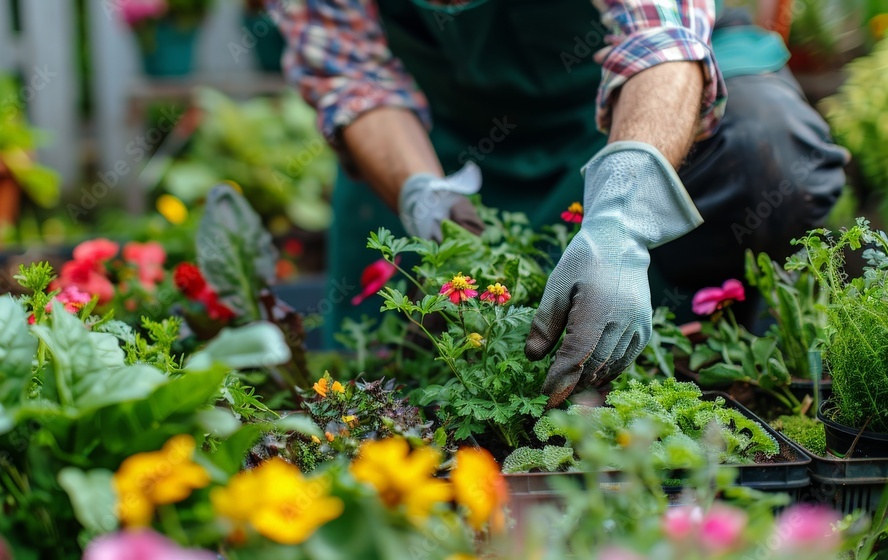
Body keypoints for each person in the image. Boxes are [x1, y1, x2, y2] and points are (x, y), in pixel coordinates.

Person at [266, 0, 847, 406]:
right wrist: (423, 193)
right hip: (441, 137)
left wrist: (621, 225)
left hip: (626, 111)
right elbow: (352, 76)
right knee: (410, 377)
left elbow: (661, 43)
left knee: (768, 148)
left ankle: (698, 370)